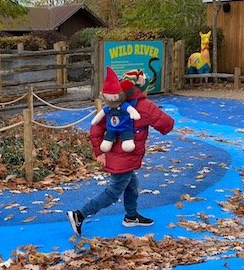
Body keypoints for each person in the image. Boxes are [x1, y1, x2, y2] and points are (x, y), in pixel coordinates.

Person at [67, 69, 174, 235]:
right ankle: (80, 214)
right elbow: (167, 124)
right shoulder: (145, 106)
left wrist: (99, 151)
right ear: (142, 87)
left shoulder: (112, 105)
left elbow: (96, 128)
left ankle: (131, 217)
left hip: (115, 156)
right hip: (125, 158)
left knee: (132, 184)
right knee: (113, 192)